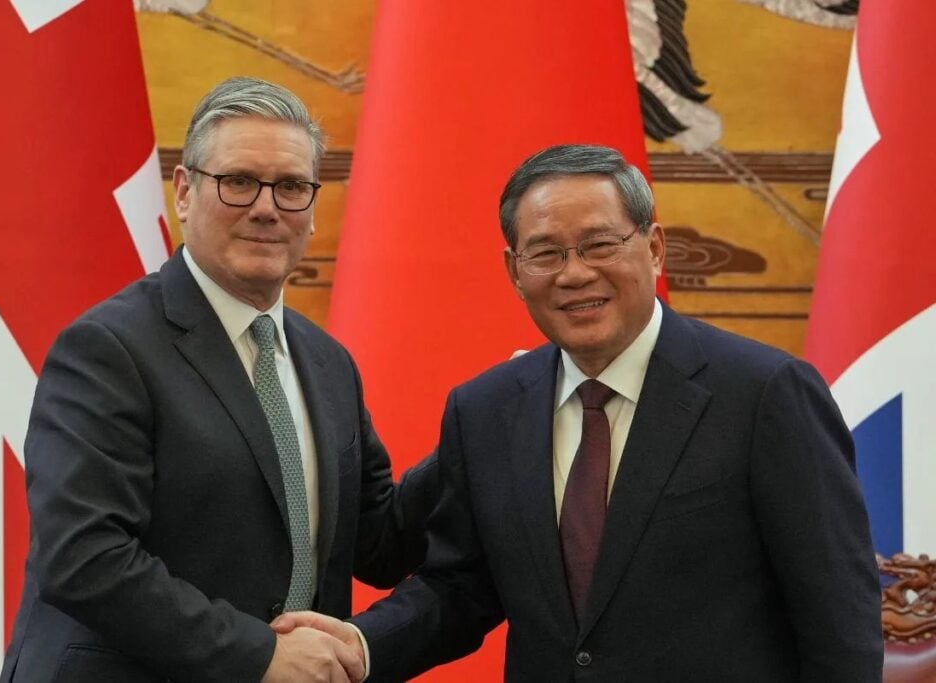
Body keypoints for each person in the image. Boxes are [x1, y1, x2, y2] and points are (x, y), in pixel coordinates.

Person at [276, 144, 883, 681]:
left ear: (654, 247)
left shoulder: (766, 394)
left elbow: (839, 623)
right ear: (515, 272)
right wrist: (359, 645)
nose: (575, 273)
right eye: (546, 254)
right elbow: (462, 587)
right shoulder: (485, 409)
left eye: (599, 244)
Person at [0, 77, 437, 683]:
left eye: (290, 187)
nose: (266, 207)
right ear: (184, 191)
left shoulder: (329, 362)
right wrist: (258, 655)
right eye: (238, 182)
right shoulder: (108, 348)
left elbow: (381, 545)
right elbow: (83, 557)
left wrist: (484, 422)